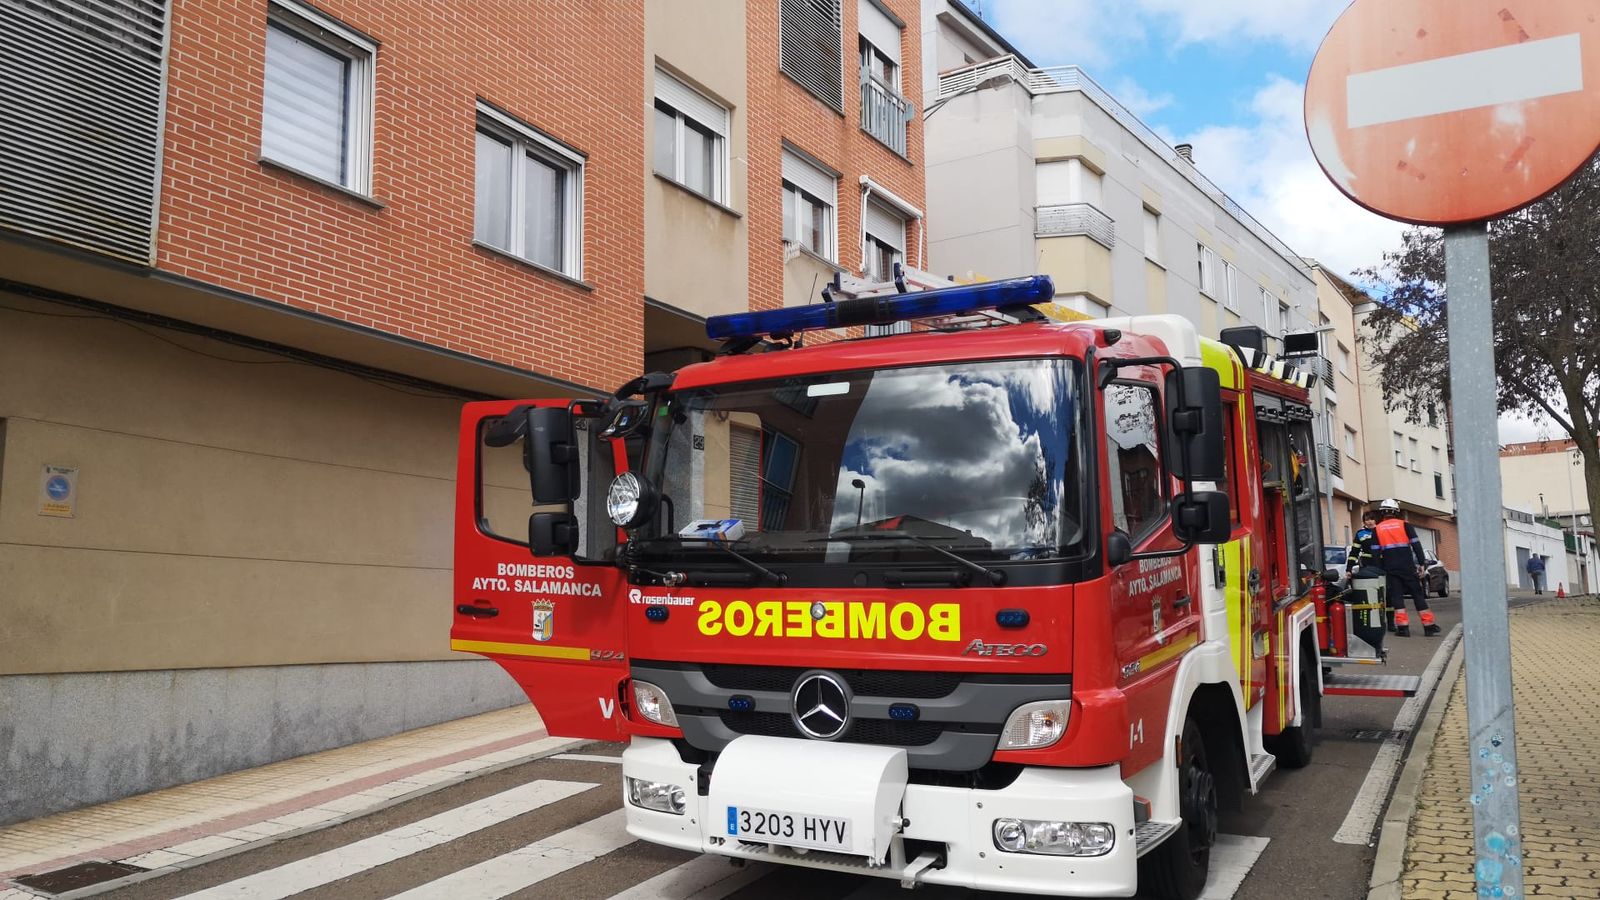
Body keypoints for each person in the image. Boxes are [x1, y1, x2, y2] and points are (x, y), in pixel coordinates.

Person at [1374, 500, 1440, 637]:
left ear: (1382, 512)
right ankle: (1428, 626)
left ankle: (1403, 628)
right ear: (1396, 511)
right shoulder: (1404, 525)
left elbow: (1375, 553)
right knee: (1417, 594)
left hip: (1390, 567)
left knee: (1397, 596)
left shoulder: (1377, 529)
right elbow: (1416, 545)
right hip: (1408, 566)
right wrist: (1422, 563)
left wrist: (1380, 569)